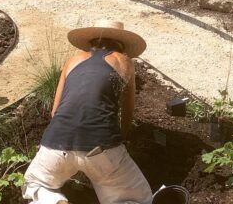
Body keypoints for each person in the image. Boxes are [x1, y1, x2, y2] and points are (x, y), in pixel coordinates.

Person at [23, 20, 153, 204]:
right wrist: (122, 140)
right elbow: (127, 113)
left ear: (92, 42)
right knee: (136, 199)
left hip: (57, 144)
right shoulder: (125, 62)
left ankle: (52, 201)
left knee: (36, 184)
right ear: (122, 46)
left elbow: (55, 111)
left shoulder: (72, 61)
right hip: (101, 147)